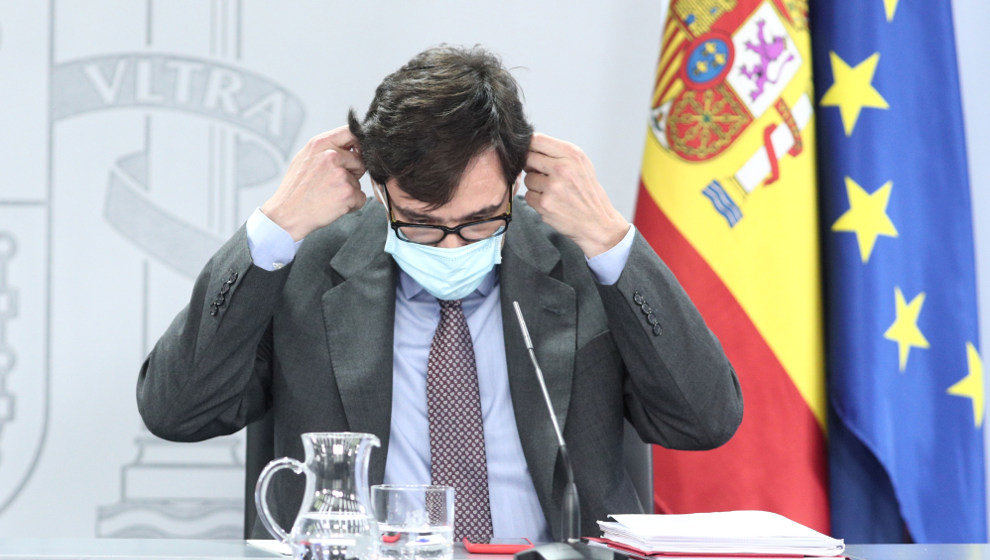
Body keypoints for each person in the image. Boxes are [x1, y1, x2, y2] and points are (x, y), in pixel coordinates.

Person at [137, 45, 742, 542]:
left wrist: (612, 241)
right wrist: (273, 229)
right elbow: (176, 412)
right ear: (380, 189)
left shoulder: (582, 259)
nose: (452, 248)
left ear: (516, 180)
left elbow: (705, 421)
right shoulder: (306, 265)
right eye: (422, 223)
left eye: (480, 221)